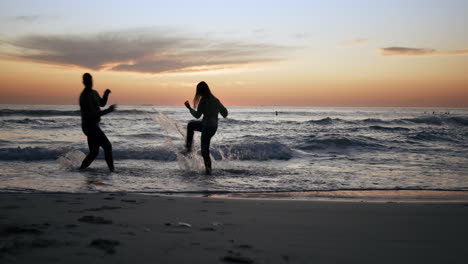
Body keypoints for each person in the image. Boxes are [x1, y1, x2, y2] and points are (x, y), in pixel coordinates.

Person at [183, 81, 228, 175]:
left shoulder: (203, 100)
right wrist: (216, 110)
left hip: (207, 127)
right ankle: (189, 149)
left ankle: (208, 172)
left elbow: (197, 116)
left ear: (200, 92)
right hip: (212, 127)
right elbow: (225, 113)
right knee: (191, 125)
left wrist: (189, 108)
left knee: (204, 151)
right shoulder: (216, 100)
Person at [79, 73, 116, 172]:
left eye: (91, 81)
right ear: (84, 82)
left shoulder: (94, 92)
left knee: (94, 152)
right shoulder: (84, 96)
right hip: (89, 126)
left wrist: (106, 94)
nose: (90, 83)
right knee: (107, 146)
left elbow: (102, 103)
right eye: (87, 81)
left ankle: (81, 169)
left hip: (92, 125)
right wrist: (109, 110)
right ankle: (112, 171)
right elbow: (94, 114)